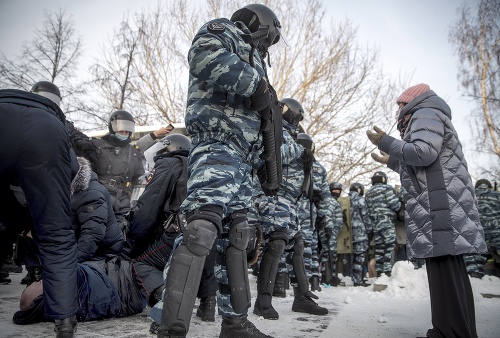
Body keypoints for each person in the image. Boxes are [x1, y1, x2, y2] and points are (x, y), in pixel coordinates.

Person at [157, 4, 282, 338]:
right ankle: (170, 325)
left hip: (241, 159)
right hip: (216, 143)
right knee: (201, 229)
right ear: (265, 26)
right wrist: (258, 86)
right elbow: (203, 56)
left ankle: (235, 323)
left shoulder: (256, 61)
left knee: (239, 237)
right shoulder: (225, 31)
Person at [367, 83, 487, 338]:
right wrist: (392, 160)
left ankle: (449, 332)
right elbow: (419, 166)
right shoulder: (428, 114)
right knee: (448, 270)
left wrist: (387, 142)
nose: (398, 111)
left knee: (445, 269)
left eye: (400, 104)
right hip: (439, 200)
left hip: (440, 202)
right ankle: (454, 330)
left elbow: (422, 153)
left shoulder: (425, 113)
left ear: (411, 101)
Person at [0, 81, 80, 337]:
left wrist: (19, 222)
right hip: (45, 136)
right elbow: (72, 168)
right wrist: (41, 213)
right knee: (57, 237)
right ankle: (65, 322)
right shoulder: (55, 120)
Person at [122, 134, 217, 332]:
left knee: (139, 263)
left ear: (168, 148)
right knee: (203, 253)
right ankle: (208, 305)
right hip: (208, 231)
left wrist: (131, 244)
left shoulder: (168, 164)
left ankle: (165, 297)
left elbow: (148, 208)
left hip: (178, 233)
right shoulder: (198, 166)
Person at [253, 99, 328, 321]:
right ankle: (263, 303)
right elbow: (268, 156)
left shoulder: (291, 135)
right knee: (276, 242)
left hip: (289, 200)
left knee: (297, 245)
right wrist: (299, 150)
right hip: (274, 196)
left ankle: (302, 298)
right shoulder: (272, 129)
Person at [69, 110, 171, 235]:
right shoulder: (98, 146)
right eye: (121, 130)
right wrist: (65, 125)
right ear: (112, 128)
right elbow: (77, 142)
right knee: (95, 231)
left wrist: (155, 134)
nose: (124, 133)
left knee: (119, 233)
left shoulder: (131, 151)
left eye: (127, 131)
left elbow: (140, 147)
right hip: (101, 198)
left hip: (123, 201)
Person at [364, 171, 400, 277]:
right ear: (384, 179)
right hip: (386, 222)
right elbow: (395, 205)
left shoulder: (369, 192)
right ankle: (388, 271)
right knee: (389, 246)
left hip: (374, 224)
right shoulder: (387, 189)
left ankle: (379, 272)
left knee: (379, 248)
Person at [465, 179, 500, 278]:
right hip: (497, 230)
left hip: (477, 230)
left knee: (474, 255)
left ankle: (475, 275)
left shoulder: (469, 196)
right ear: (489, 186)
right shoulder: (497, 195)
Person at [347, 183, 372, 286]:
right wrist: (370, 230)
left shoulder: (346, 200)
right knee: (360, 257)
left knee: (353, 258)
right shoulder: (360, 200)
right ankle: (358, 280)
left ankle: (355, 278)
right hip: (360, 233)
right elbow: (365, 216)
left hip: (348, 233)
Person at [318, 182, 343, 286]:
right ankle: (326, 278)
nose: (336, 192)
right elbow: (327, 215)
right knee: (328, 254)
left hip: (332, 231)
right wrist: (328, 229)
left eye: (338, 190)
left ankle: (330, 276)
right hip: (329, 232)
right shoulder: (330, 201)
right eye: (334, 190)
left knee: (330, 254)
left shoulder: (334, 201)